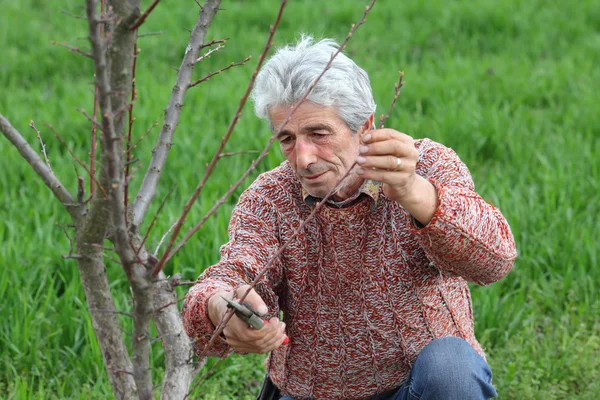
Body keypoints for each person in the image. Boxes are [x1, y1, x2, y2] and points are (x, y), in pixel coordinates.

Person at [182, 36, 517, 400]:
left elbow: (495, 262)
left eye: (318, 133)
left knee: (452, 369)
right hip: (313, 393)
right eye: (288, 138)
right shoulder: (270, 197)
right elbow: (231, 274)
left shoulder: (426, 165)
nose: (303, 158)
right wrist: (221, 307)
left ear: (365, 125)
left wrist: (414, 193)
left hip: (415, 387)